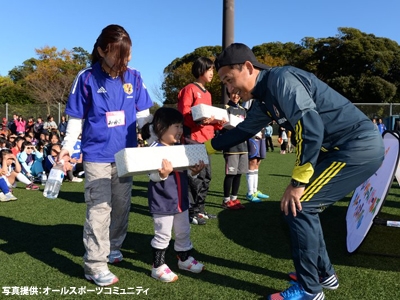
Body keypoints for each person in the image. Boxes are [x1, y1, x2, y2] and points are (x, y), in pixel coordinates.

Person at [205, 43, 385, 299]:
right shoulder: (262, 100)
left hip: (357, 146)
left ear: (247, 67)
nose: (228, 88)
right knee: (301, 208)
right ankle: (324, 275)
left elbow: (309, 127)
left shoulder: (281, 79)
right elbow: (243, 131)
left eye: (229, 79)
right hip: (338, 149)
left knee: (299, 206)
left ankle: (310, 290)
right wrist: (205, 149)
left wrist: (298, 182)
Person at [58, 24, 153, 287]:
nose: (124, 61)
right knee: (100, 210)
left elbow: (144, 115)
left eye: (128, 55)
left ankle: (113, 248)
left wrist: (157, 136)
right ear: (101, 50)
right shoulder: (86, 77)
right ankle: (94, 264)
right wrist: (67, 146)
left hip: (126, 157)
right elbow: (76, 118)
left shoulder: (134, 77)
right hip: (97, 155)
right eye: (118, 56)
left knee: (121, 207)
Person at [141, 107, 205, 282]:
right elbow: (151, 175)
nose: (180, 131)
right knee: (163, 234)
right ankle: (158, 266)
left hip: (181, 201)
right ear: (161, 126)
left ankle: (184, 259)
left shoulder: (180, 148)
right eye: (176, 126)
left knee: (184, 231)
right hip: (163, 202)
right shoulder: (154, 148)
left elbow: (186, 173)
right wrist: (162, 174)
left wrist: (194, 171)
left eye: (181, 126)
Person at [177, 57, 223, 225]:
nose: (212, 73)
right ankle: (190, 212)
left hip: (206, 141)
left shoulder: (208, 94)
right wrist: (198, 120)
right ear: (201, 70)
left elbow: (208, 121)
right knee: (194, 176)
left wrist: (218, 123)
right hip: (192, 140)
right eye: (209, 69)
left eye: (212, 70)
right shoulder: (189, 89)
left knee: (206, 176)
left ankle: (200, 210)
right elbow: (184, 114)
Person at [221, 90, 247, 210]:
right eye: (233, 93)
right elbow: (221, 127)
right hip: (231, 147)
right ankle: (226, 200)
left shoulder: (243, 110)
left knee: (239, 174)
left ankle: (234, 199)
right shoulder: (226, 108)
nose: (236, 96)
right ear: (229, 94)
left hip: (243, 147)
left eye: (238, 93)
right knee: (230, 174)